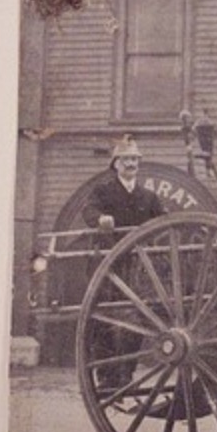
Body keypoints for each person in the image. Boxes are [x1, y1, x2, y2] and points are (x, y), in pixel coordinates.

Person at [82, 135, 166, 388]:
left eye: (135, 159)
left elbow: (163, 219)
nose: (132, 164)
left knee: (138, 321)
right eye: (126, 159)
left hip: (137, 267)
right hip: (108, 264)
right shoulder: (103, 190)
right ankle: (106, 378)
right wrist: (100, 219)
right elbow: (89, 210)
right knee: (105, 320)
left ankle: (126, 375)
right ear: (115, 163)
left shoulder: (148, 196)